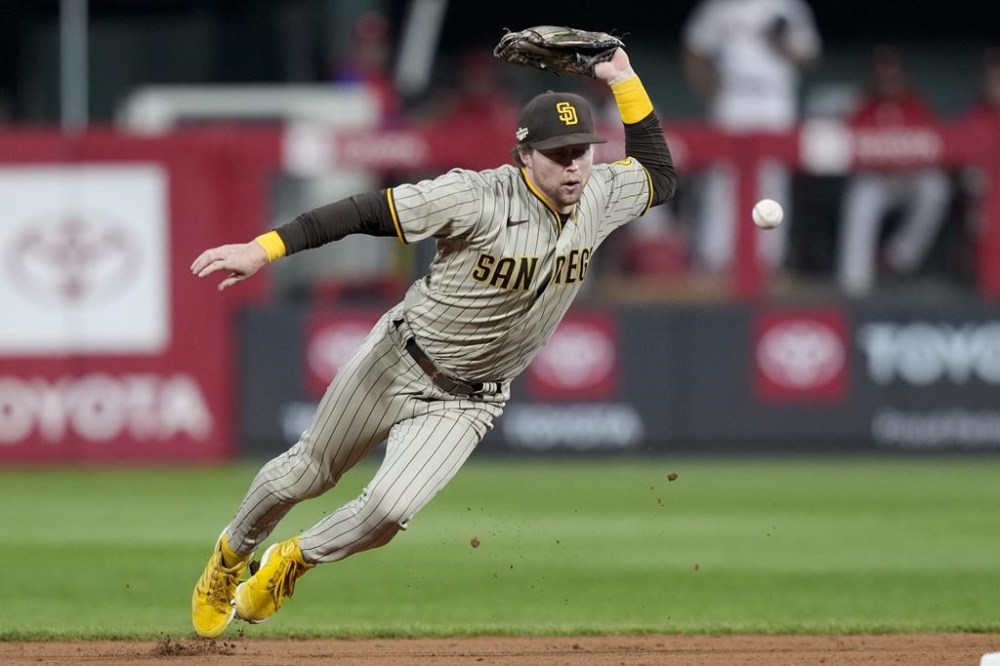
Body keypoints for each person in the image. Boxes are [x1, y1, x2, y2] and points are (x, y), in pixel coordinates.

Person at [189, 45, 676, 638]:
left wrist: (623, 77)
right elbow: (365, 211)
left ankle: (291, 561)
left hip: (470, 400)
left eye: (582, 153)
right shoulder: (475, 197)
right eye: (558, 155)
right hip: (399, 358)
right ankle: (229, 557)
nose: (575, 167)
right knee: (304, 474)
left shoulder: (598, 194)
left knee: (390, 512)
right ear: (524, 155)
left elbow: (659, 174)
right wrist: (262, 248)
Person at [681, 0, 821, 277]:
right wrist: (710, 90)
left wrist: (783, 43)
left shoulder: (789, 8)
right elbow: (694, 49)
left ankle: (769, 261)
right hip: (734, 96)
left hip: (774, 98)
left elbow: (810, 57)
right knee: (723, 177)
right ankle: (715, 259)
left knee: (773, 180)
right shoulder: (719, 8)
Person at [835, 46, 951, 296]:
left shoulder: (916, 105)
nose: (888, 80)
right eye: (883, 74)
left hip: (911, 177)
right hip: (877, 180)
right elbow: (846, 148)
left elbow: (937, 146)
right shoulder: (862, 106)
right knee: (861, 197)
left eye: (893, 74)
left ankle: (900, 256)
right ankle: (854, 284)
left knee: (935, 188)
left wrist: (908, 161)